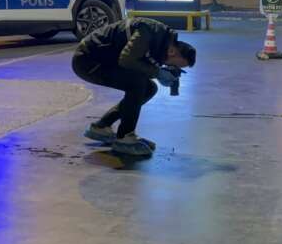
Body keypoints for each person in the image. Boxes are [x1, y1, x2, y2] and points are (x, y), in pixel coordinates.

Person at [72, 17, 196, 157]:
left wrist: (158, 73)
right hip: (87, 60)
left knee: (149, 88)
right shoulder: (148, 32)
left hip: (105, 60)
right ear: (173, 51)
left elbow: (138, 63)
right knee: (137, 84)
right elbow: (127, 59)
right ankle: (125, 137)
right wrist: (158, 72)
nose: (170, 68)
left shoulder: (161, 43)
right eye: (175, 66)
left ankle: (102, 126)